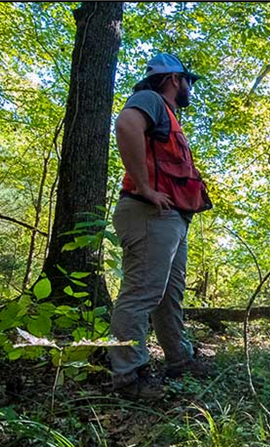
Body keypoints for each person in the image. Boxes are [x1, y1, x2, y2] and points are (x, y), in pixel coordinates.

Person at [109, 53, 213, 399]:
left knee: (169, 297)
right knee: (141, 292)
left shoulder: (167, 115)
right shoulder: (150, 99)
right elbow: (125, 126)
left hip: (170, 219)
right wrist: (145, 187)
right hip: (148, 212)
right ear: (173, 79)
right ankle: (128, 376)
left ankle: (178, 359)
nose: (189, 88)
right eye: (188, 81)